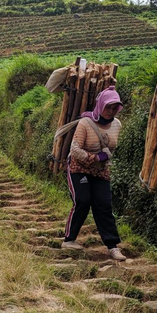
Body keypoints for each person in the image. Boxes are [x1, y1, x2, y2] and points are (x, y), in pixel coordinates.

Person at [62, 85, 126, 261]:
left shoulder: (117, 125)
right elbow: (74, 150)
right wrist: (95, 158)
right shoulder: (85, 123)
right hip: (78, 167)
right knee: (82, 200)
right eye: (108, 107)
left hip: (100, 171)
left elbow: (112, 147)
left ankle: (113, 247)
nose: (111, 111)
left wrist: (104, 158)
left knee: (104, 205)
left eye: (115, 107)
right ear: (101, 105)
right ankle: (69, 239)